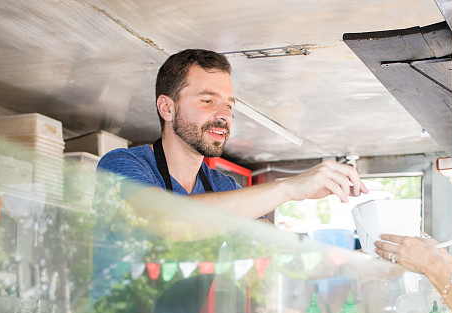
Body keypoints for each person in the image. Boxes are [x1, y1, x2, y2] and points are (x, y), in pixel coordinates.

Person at [98, 48, 368, 220]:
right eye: (207, 100)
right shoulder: (121, 166)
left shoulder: (221, 185)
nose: (224, 114)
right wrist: (290, 187)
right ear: (167, 108)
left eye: (229, 104)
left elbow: (267, 246)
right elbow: (168, 222)